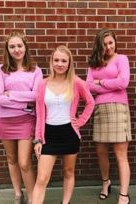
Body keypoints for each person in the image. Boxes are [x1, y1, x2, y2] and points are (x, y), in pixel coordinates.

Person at [32, 45, 95, 204]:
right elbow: (40, 114)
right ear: (52, 62)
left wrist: (80, 121)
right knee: (42, 178)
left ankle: (65, 202)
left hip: (69, 134)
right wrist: (38, 139)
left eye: (64, 61)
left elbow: (90, 102)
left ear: (69, 63)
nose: (60, 64)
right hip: (49, 136)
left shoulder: (76, 82)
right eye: (57, 60)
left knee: (68, 172)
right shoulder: (43, 84)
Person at [0, 31, 43, 204]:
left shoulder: (35, 70)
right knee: (11, 159)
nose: (16, 50)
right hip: (5, 121)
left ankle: (32, 197)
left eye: (19, 45)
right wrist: (24, 102)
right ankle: (18, 194)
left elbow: (37, 96)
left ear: (25, 47)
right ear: (7, 49)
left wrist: (10, 94)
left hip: (26, 121)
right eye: (12, 46)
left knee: (24, 162)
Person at [86, 28, 132, 204]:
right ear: (100, 45)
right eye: (104, 44)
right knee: (100, 151)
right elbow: (89, 86)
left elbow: (123, 82)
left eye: (111, 43)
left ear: (115, 42)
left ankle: (124, 194)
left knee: (120, 153)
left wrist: (101, 82)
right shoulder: (94, 63)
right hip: (99, 110)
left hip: (119, 109)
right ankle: (106, 183)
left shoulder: (121, 59)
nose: (108, 47)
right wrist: (105, 84)